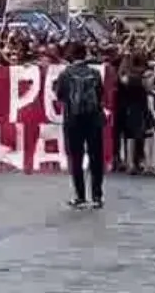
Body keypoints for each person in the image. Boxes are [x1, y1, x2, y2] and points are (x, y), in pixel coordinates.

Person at [54, 42, 105, 209]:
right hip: (94, 120)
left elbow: (60, 96)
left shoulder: (65, 74)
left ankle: (80, 196)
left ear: (71, 55)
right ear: (85, 55)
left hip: (73, 121)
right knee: (96, 157)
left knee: (76, 158)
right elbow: (100, 94)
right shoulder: (95, 73)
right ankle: (97, 196)